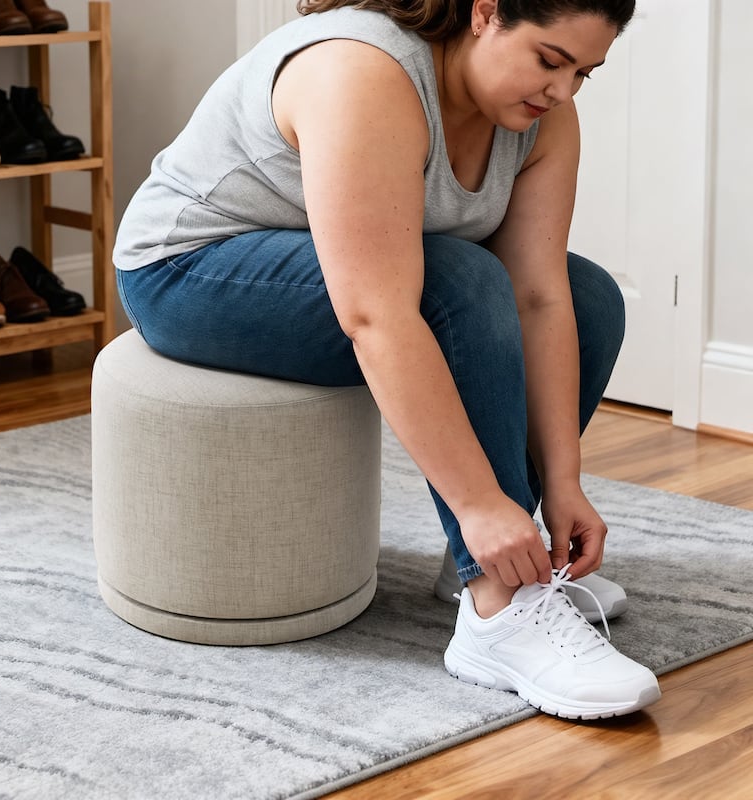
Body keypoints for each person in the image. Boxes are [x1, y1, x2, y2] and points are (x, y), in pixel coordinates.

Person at [113, 0, 661, 719]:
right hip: (191, 271)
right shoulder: (363, 71)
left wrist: (560, 485)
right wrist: (474, 503)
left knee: (589, 295)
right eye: (550, 60)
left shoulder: (543, 116)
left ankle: (493, 559)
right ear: (485, 13)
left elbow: (540, 299)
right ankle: (498, 611)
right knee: (461, 282)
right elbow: (376, 313)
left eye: (584, 72)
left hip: (344, 276)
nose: (563, 90)